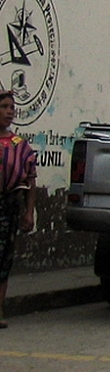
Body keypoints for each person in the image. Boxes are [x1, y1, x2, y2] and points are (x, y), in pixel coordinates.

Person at [0, 90, 37, 329]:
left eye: (12, 107)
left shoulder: (19, 145)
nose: (9, 111)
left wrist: (28, 211)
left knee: (3, 259)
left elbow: (30, 180)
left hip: (8, 206)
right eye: (4, 106)